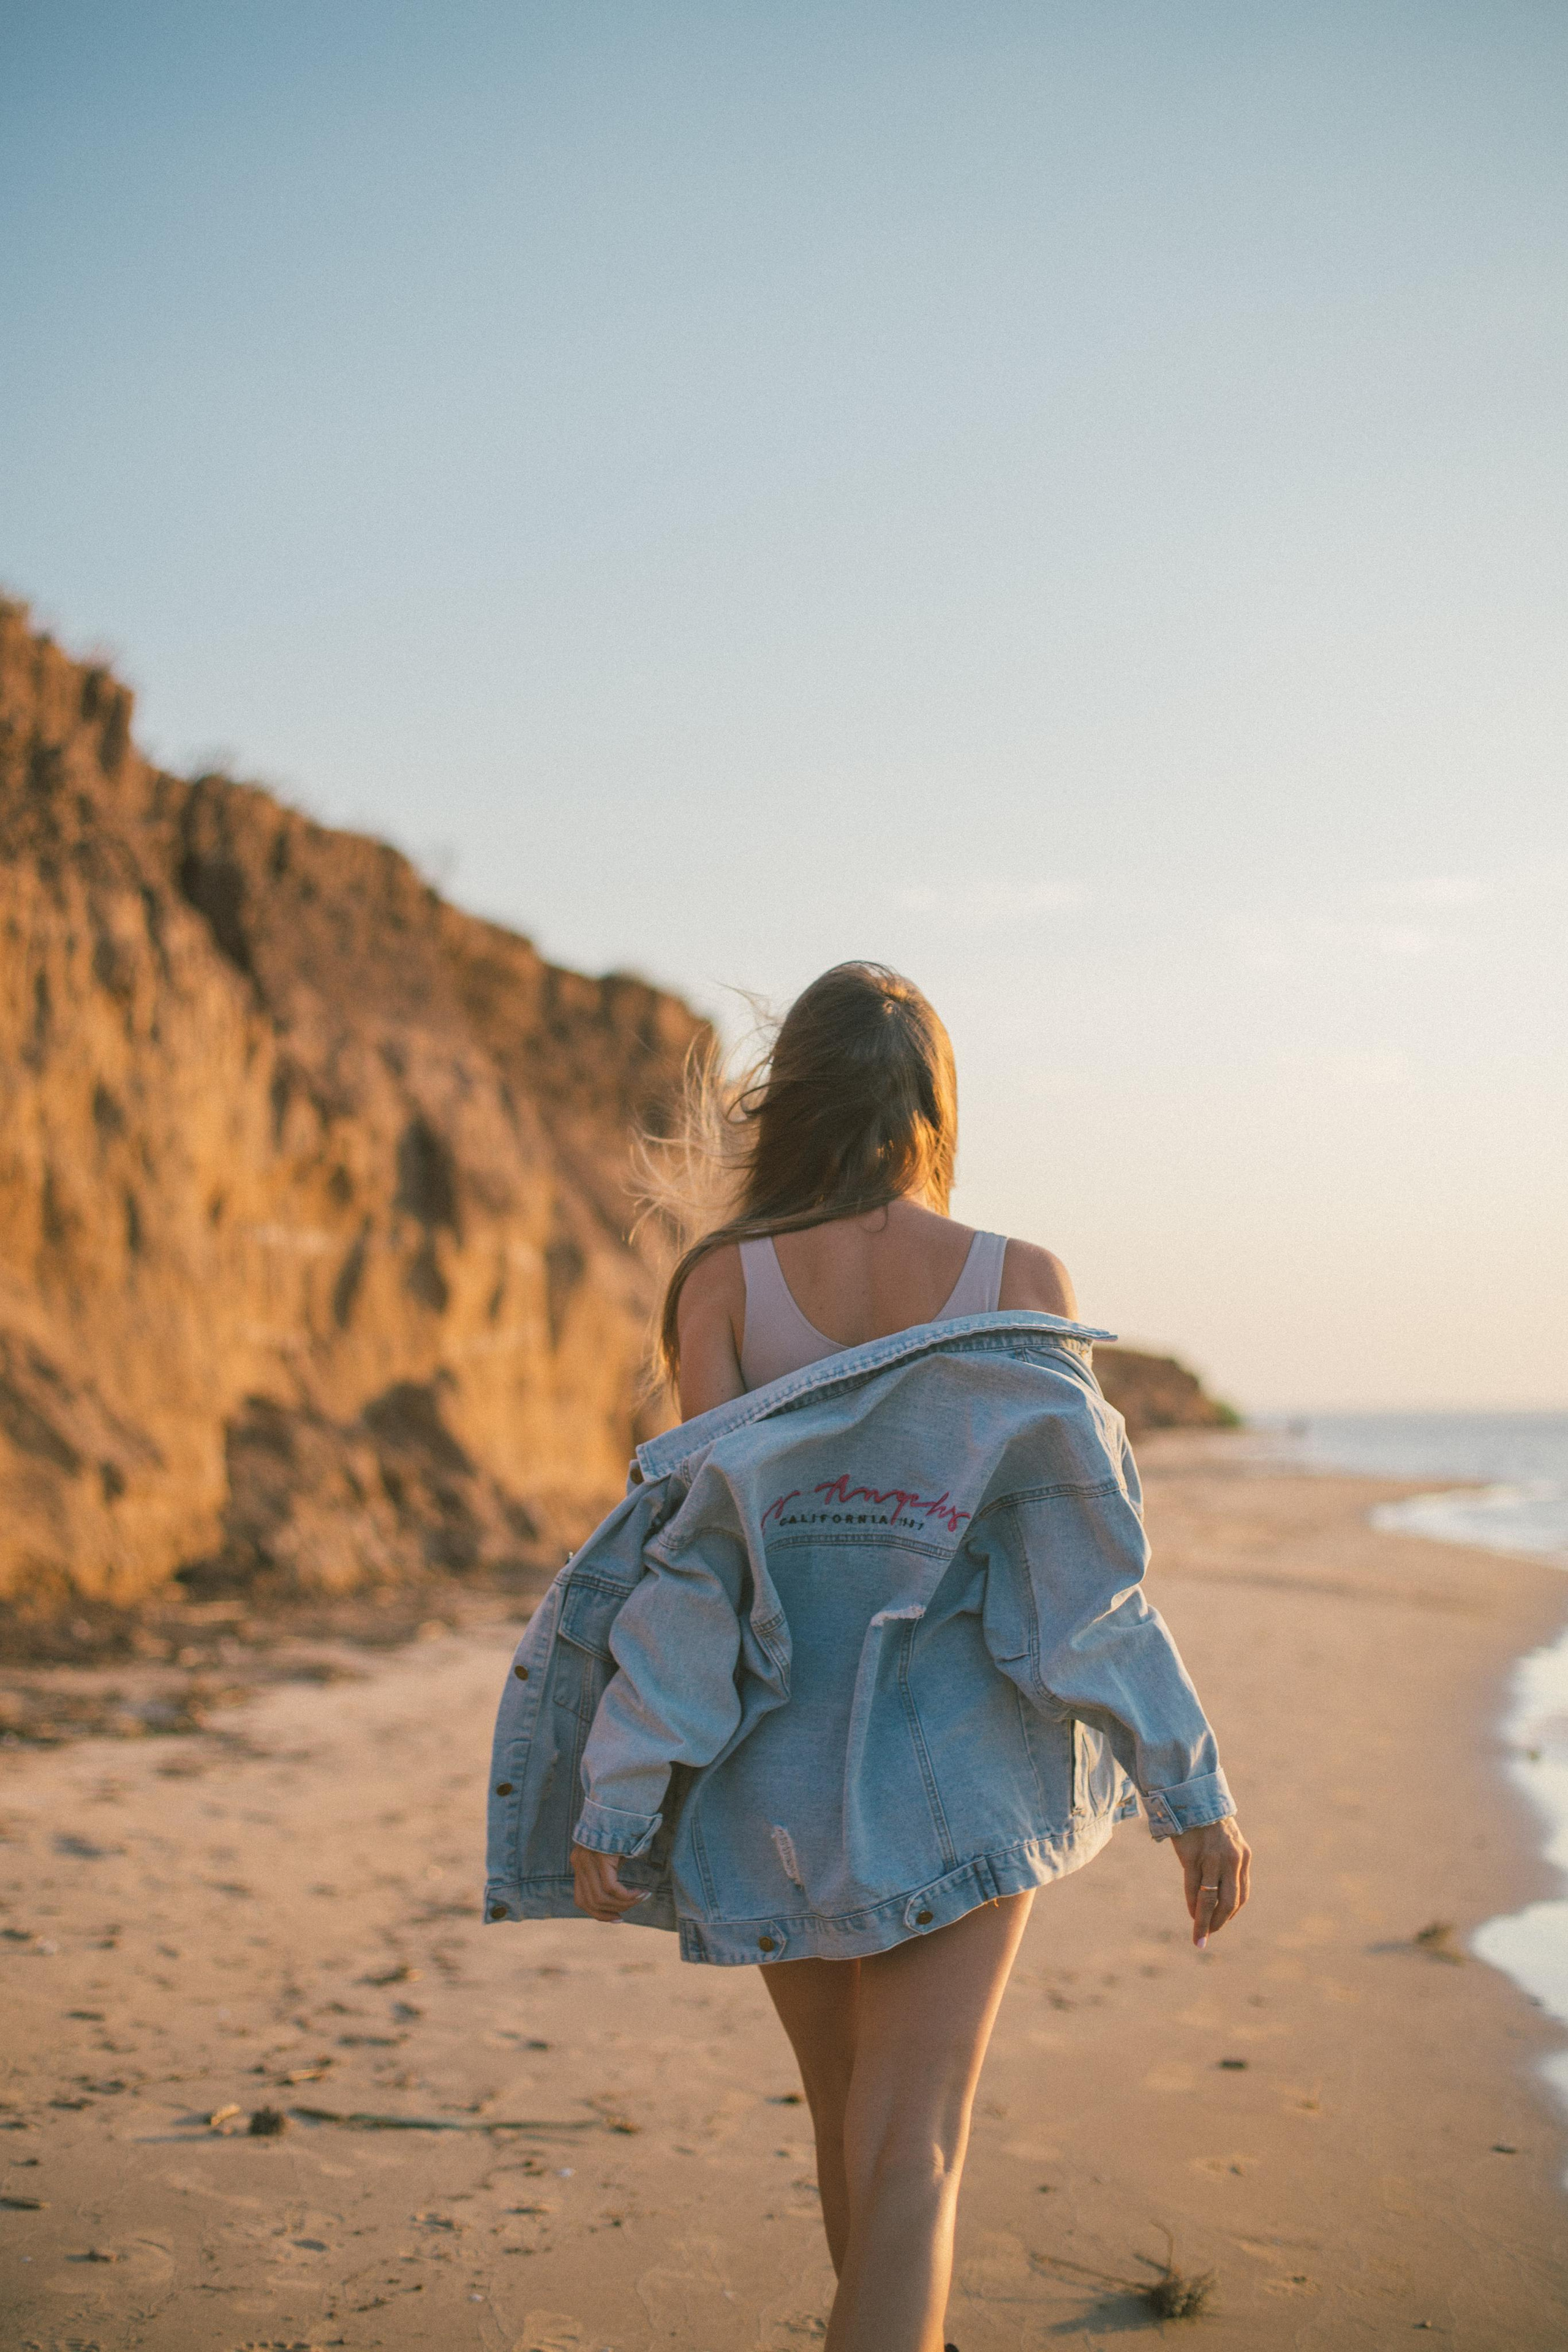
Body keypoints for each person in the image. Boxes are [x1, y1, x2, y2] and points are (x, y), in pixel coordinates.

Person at [494, 961, 1249, 2352]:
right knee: (915, 2147)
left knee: (850, 2128)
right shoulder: (1017, 1281)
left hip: (763, 1769)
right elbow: (1078, 1575)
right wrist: (1183, 1786)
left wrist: (622, 1780)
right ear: (932, 1110)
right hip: (956, 1759)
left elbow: (697, 1564)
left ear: (795, 1105)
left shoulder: (720, 1283)